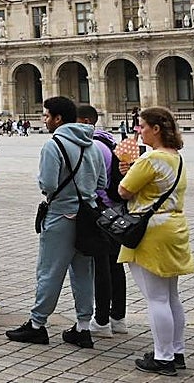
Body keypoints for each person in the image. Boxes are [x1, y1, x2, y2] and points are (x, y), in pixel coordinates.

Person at [6, 96, 104, 348]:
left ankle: (37, 325)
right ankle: (83, 328)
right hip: (88, 218)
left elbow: (47, 184)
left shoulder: (54, 145)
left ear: (58, 119)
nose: (44, 120)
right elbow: (102, 184)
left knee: (49, 271)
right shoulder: (92, 145)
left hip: (61, 216)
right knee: (83, 272)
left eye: (47, 115)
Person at [117, 107, 194, 376]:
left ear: (156, 129)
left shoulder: (150, 160)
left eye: (142, 126)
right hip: (174, 227)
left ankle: (163, 358)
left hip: (150, 231)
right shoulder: (177, 158)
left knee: (156, 299)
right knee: (171, 296)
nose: (139, 131)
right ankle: (176, 350)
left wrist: (126, 170)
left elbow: (124, 190)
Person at [77, 105, 127, 337]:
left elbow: (93, 183)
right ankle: (118, 318)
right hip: (115, 211)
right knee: (116, 266)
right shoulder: (110, 142)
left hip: (101, 211)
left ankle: (102, 320)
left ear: (86, 121)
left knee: (101, 267)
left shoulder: (93, 146)